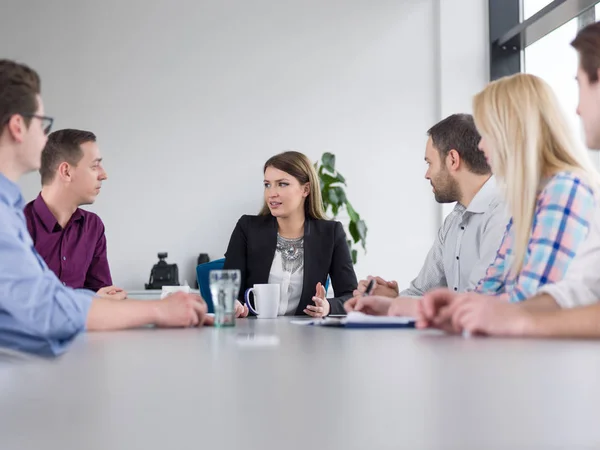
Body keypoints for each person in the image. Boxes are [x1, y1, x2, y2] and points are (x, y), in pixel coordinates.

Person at [0, 59, 212, 356]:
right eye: (41, 123)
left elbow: (44, 298)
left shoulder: (9, 207)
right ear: (18, 126)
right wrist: (158, 311)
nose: (44, 136)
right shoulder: (8, 215)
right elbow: (46, 308)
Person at [418, 22, 600, 338]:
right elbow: (572, 292)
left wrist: (508, 317)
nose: (482, 146)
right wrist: (452, 308)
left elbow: (530, 297)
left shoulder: (565, 188)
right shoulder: (529, 200)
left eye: (486, 134)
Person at [345, 114, 507, 317]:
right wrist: (393, 300)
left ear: (453, 160)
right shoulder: (454, 222)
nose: (427, 174)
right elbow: (422, 293)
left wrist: (398, 305)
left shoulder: (503, 212)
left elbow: (480, 301)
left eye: (429, 163)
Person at [223, 151, 357, 317]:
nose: (272, 193)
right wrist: (234, 304)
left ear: (305, 189)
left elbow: (352, 298)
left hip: (306, 336)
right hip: (254, 335)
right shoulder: (247, 228)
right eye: (267, 184)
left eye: (282, 184)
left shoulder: (330, 233)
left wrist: (328, 307)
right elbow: (228, 290)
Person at [24, 128, 126, 300]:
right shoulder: (15, 226)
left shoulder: (93, 226)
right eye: (95, 166)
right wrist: (89, 299)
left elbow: (102, 296)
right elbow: (19, 302)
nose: (104, 175)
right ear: (66, 172)